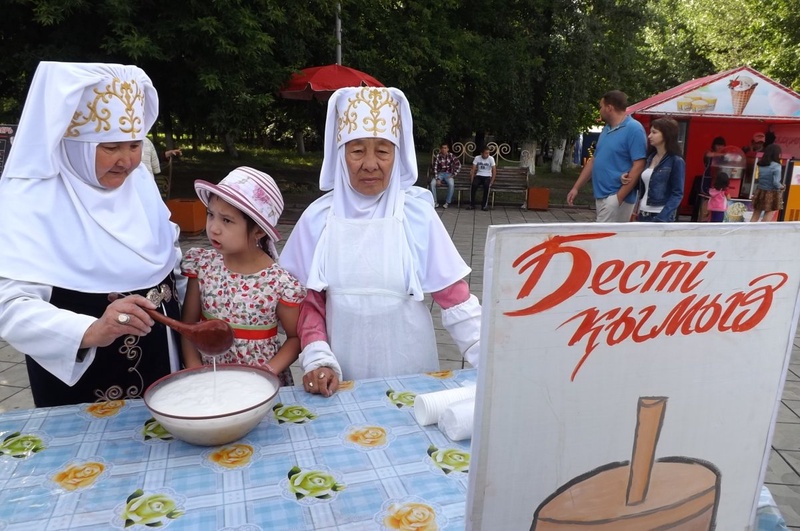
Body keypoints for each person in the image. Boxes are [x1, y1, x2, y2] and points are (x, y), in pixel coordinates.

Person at [0, 61, 184, 407]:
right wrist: (89, 331)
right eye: (110, 147)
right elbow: (10, 307)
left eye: (133, 145)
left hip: (164, 361)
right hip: (85, 380)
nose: (127, 161)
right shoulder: (32, 197)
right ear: (72, 144)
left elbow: (169, 261)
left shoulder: (140, 183)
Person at [280, 87, 482, 397]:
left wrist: (490, 359)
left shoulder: (416, 215)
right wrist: (318, 358)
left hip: (410, 368)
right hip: (340, 371)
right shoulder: (318, 219)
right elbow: (310, 305)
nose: (371, 164)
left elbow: (455, 298)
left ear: (397, 156)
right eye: (357, 150)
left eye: (383, 151)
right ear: (340, 155)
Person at [180, 167, 305, 386]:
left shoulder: (279, 283)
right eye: (211, 214)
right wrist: (196, 372)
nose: (214, 228)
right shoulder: (202, 265)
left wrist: (267, 373)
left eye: (227, 220)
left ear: (258, 231)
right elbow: (188, 327)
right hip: (211, 382)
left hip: (261, 386)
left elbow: (295, 338)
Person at [567, 90, 647, 222]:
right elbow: (594, 160)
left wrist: (618, 198)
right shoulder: (606, 129)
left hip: (616, 197)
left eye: (601, 106)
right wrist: (576, 187)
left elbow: (639, 164)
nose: (600, 110)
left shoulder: (634, 129)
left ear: (609, 108)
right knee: (608, 239)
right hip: (602, 196)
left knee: (603, 239)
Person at [636, 118, 685, 222]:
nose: (649, 136)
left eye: (654, 132)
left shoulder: (676, 161)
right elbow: (645, 186)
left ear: (666, 134)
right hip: (642, 213)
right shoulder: (650, 158)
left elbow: (677, 193)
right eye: (650, 132)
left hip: (659, 215)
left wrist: (662, 217)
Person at [751, 144, 784, 222]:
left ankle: (749, 231)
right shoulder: (777, 166)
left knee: (756, 214)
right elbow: (776, 182)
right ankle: (761, 232)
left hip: (760, 191)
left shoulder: (761, 164)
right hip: (771, 192)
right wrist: (782, 187)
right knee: (769, 212)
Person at [429, 142, 461, 208]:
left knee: (451, 184)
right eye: (442, 148)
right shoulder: (438, 156)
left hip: (448, 174)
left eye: (445, 148)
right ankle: (435, 202)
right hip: (439, 174)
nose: (444, 149)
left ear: (448, 149)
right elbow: (435, 168)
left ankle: (447, 202)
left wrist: (454, 174)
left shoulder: (451, 156)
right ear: (441, 149)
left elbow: (458, 165)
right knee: (432, 184)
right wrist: (437, 179)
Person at [468, 146, 496, 211]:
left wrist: (492, 181)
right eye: (486, 153)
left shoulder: (491, 159)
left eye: (488, 153)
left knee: (486, 186)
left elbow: (494, 170)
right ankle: (472, 205)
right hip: (479, 175)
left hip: (487, 176)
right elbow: (473, 169)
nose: (487, 154)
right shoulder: (477, 158)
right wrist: (472, 179)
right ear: (482, 153)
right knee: (473, 185)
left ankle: (484, 205)